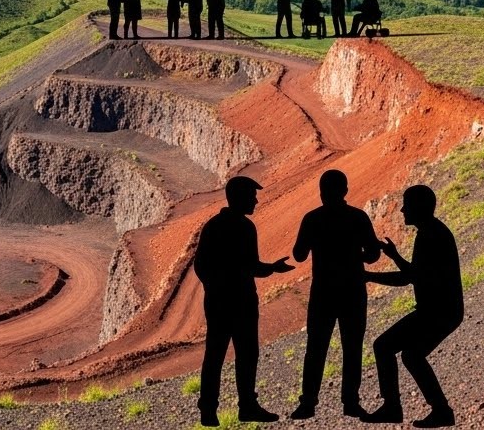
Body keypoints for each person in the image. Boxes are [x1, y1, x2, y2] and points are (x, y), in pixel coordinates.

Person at [193, 176, 293, 426]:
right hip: (242, 302)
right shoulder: (245, 228)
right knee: (246, 355)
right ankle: (246, 406)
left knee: (215, 354)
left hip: (218, 303)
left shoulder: (213, 226)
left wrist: (215, 288)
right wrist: (270, 269)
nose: (256, 200)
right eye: (251, 195)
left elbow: (201, 266)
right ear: (238, 197)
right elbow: (251, 267)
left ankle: (209, 410)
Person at [362, 185, 463, 427]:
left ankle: (393, 408)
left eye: (407, 204)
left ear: (420, 207)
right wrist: (395, 256)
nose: (403, 209)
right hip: (444, 311)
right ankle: (440, 411)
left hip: (437, 313)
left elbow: (408, 279)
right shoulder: (432, 232)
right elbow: (417, 274)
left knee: (384, 346)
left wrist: (367, 276)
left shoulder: (430, 236)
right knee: (411, 355)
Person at [289, 170, 380, 420]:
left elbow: (298, 255)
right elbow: (373, 254)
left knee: (316, 348)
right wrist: (353, 257)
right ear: (345, 191)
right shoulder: (358, 217)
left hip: (323, 293)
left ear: (321, 192)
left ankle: (308, 403)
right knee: (352, 348)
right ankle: (350, 402)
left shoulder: (312, 219)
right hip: (353, 291)